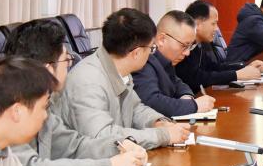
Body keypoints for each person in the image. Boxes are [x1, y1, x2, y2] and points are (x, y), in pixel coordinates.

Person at [7, 19, 148, 166]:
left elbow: (74, 147)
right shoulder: (10, 108)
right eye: (66, 60)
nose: (69, 65)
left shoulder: (42, 102)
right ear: (48, 69)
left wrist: (118, 146)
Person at [56, 8, 190, 149]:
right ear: (136, 53)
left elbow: (135, 109)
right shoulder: (87, 81)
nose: (151, 54)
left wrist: (158, 122)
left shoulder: (119, 67)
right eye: (151, 48)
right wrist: (162, 135)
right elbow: (102, 136)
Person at [132, 11, 216, 118]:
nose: (187, 53)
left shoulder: (165, 61)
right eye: (184, 46)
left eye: (190, 46)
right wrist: (194, 106)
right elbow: (152, 102)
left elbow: (178, 83)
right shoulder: (144, 61)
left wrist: (186, 96)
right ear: (162, 39)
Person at [177, 0, 263, 92]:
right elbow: (195, 78)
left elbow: (214, 68)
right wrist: (236, 75)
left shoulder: (200, 44)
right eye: (213, 23)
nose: (216, 29)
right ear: (197, 24)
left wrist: (245, 67)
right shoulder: (183, 47)